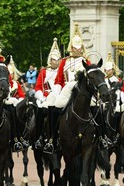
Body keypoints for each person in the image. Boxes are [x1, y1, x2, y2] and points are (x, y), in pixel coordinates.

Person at [44, 24, 91, 153]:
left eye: (80, 47)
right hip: (67, 90)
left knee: (97, 108)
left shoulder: (87, 61)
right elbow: (59, 79)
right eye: (75, 48)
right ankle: (52, 138)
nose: (77, 50)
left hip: (82, 91)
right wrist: (57, 92)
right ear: (71, 48)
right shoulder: (65, 61)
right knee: (56, 106)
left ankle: (102, 137)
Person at [33, 38, 62, 149]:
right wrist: (43, 98)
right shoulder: (44, 72)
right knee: (40, 111)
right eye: (55, 59)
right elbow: (38, 88)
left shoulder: (62, 72)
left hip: (58, 98)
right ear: (50, 60)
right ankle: (39, 137)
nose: (57, 61)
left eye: (59, 59)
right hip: (45, 98)